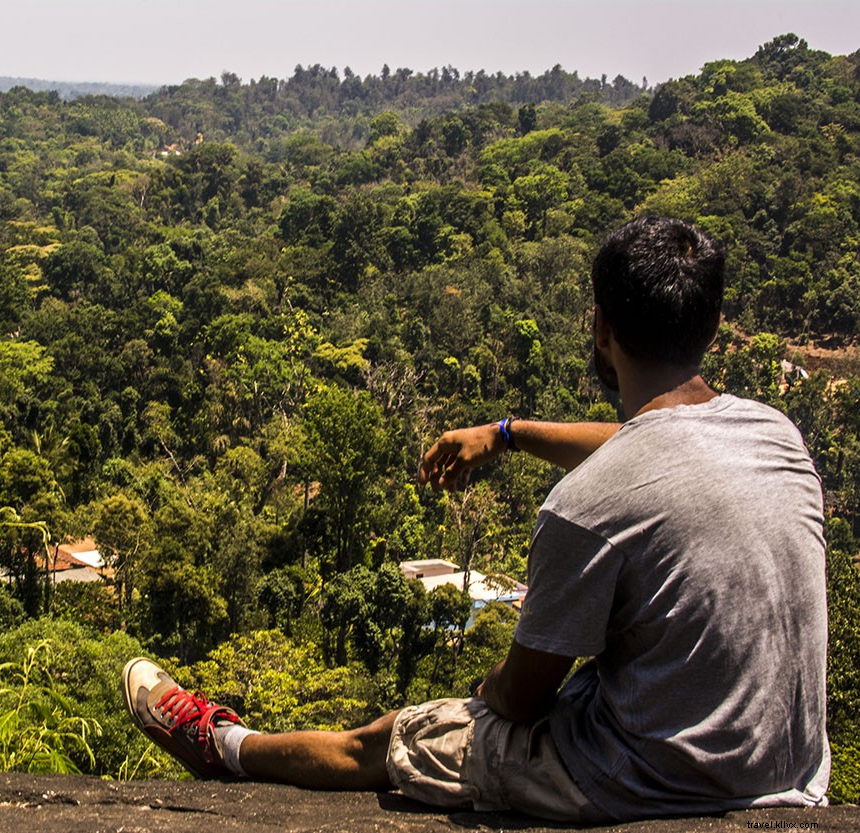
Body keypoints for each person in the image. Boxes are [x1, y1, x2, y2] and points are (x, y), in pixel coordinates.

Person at [121, 216, 831, 821]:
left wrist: (485, 690)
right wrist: (507, 432)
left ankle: (220, 745)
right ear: (711, 324)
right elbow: (657, 449)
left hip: (652, 782)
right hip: (790, 773)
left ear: (601, 326)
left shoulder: (586, 505)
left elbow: (519, 700)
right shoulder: (778, 435)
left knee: (391, 736)